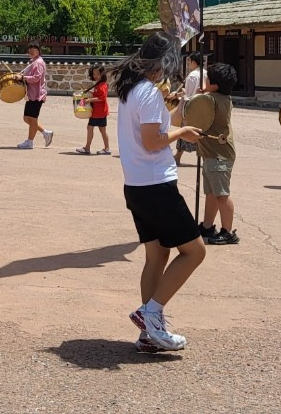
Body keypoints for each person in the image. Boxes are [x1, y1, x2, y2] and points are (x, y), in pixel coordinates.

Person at [112, 32, 207, 353]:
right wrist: (183, 132)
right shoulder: (149, 93)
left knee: (156, 256)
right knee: (194, 252)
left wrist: (179, 112)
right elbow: (153, 141)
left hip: (137, 185)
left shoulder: (131, 90)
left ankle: (149, 333)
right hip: (157, 184)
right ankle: (150, 313)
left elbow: (155, 129)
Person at [192, 62, 238, 245]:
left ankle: (228, 232)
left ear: (215, 85)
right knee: (211, 193)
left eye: (207, 79)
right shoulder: (224, 98)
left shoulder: (210, 100)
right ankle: (207, 225)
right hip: (214, 153)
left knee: (221, 194)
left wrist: (197, 96)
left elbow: (194, 113)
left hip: (218, 155)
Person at [16, 43, 52, 149]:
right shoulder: (33, 62)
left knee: (32, 119)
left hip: (37, 95)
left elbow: (36, 78)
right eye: (30, 49)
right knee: (27, 118)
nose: (31, 51)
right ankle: (45, 133)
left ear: (39, 50)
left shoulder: (38, 63)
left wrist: (23, 77)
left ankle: (30, 142)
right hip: (31, 94)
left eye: (34, 49)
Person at [174, 51, 203, 167]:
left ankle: (177, 156)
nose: (189, 63)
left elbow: (189, 95)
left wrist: (182, 94)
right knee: (202, 132)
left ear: (194, 62)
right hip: (203, 107)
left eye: (190, 61)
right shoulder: (206, 73)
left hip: (191, 107)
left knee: (184, 131)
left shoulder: (192, 76)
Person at [75, 65, 111, 155]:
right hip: (100, 111)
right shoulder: (100, 84)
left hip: (98, 112)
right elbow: (98, 95)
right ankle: (106, 148)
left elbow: (102, 98)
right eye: (94, 74)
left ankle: (87, 148)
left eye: (97, 74)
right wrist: (90, 93)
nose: (95, 76)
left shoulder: (102, 85)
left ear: (102, 74)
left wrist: (89, 100)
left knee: (90, 127)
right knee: (102, 130)